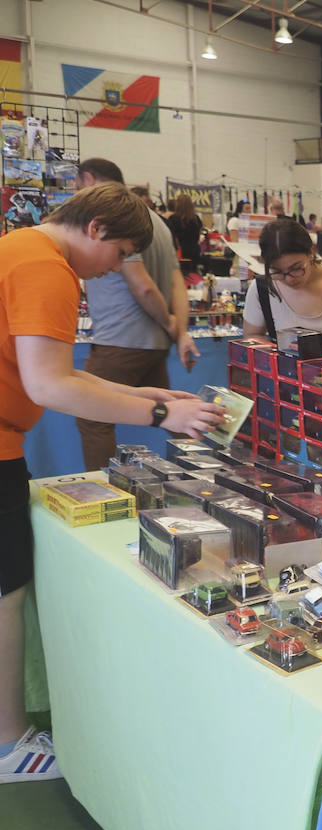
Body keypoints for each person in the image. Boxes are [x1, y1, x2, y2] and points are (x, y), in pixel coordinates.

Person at [0, 182, 225, 784]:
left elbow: (54, 370)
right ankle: (7, 744)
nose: (117, 266)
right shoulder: (48, 268)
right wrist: (159, 416)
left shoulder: (23, 248)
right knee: (5, 593)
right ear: (96, 231)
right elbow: (49, 386)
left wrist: (143, 393)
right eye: (122, 250)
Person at [73, 158, 199, 471]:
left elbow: (142, 286)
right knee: (172, 414)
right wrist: (179, 331)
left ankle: (103, 495)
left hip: (121, 339)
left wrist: (171, 323)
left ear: (88, 180)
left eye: (78, 188)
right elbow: (176, 283)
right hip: (152, 343)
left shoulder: (119, 220)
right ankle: (206, 474)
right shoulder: (155, 220)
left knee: (93, 417)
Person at [243, 218, 322, 363]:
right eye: (277, 271)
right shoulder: (261, 288)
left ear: (311, 253)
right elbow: (252, 335)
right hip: (284, 378)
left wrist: (313, 372)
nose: (289, 279)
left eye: (296, 268)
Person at [166, 193, 203, 274]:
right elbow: (198, 236)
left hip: (180, 251)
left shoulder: (173, 219)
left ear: (177, 204)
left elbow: (171, 238)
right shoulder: (196, 219)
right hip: (193, 251)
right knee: (193, 274)